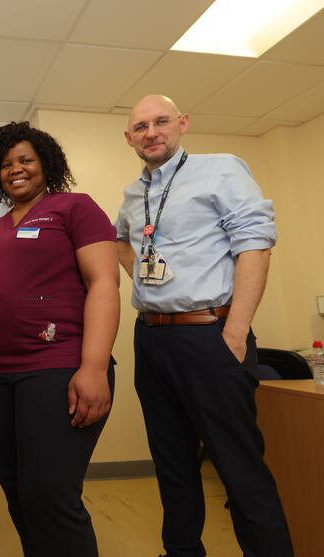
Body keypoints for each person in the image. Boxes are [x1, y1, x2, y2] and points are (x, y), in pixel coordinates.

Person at [115, 94, 293, 557]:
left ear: (183, 124)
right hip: (152, 338)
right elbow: (120, 240)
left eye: (162, 121)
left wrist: (234, 332)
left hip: (209, 335)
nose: (152, 132)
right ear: (129, 137)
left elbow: (255, 243)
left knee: (239, 468)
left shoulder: (222, 169)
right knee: (172, 465)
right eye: (141, 126)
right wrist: (148, 287)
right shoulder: (135, 195)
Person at [0, 122, 120, 557]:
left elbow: (104, 282)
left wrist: (93, 367)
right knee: (17, 491)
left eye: (26, 160)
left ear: (46, 163)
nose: (16, 169)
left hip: (57, 367)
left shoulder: (75, 208)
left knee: (49, 495)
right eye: (6, 163)